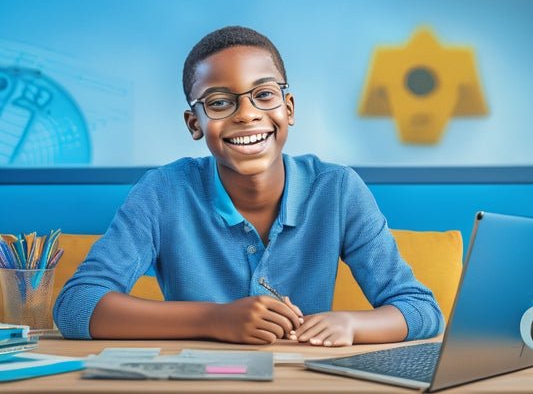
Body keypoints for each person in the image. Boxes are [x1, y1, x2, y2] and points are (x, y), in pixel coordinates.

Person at [54, 25, 444, 346]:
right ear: (195, 124)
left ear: (287, 109)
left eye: (264, 95)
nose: (247, 114)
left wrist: (352, 324)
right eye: (220, 102)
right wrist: (214, 319)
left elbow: (421, 309)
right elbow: (77, 305)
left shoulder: (338, 189)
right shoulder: (163, 192)